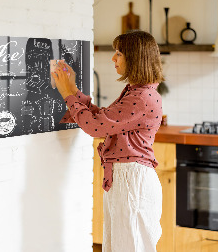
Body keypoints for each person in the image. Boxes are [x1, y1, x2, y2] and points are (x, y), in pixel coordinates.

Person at [52, 30, 164, 252]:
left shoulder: (141, 97)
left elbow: (95, 127)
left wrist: (67, 94)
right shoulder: (137, 92)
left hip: (132, 181)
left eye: (119, 53)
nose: (113, 58)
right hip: (127, 179)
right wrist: (73, 90)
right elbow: (103, 119)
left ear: (135, 58)